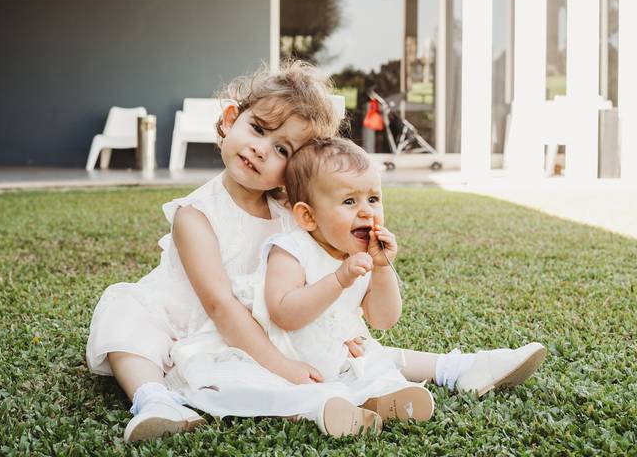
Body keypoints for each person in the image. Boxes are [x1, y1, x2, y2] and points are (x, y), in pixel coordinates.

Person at [86, 60, 546, 442]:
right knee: (127, 321)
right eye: (258, 129)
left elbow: (325, 292)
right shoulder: (197, 215)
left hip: (272, 321)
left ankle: (458, 367)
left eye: (283, 149)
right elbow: (221, 306)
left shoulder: (295, 217)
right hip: (193, 322)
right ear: (230, 121)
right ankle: (153, 401)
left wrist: (345, 309)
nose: (262, 150)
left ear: (297, 172)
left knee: (351, 347)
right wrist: (282, 364)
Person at [170, 138, 435, 437]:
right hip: (280, 356)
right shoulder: (290, 250)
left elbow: (383, 319)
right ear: (308, 216)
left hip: (334, 356)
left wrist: (383, 267)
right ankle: (321, 408)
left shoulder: (358, 255)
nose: (366, 212)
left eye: (373, 199)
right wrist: (338, 280)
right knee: (259, 387)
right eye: (349, 201)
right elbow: (285, 313)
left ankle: (383, 396)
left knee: (371, 366)